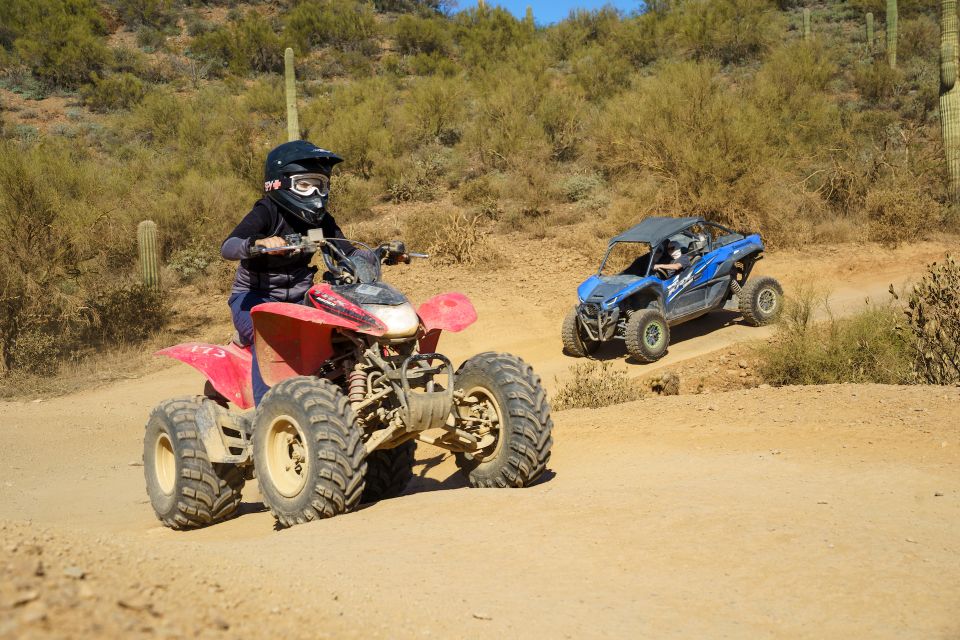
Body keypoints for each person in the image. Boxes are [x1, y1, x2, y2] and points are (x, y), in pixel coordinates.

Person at [221, 140, 358, 405]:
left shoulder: (320, 220)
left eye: (320, 185)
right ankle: (268, 413)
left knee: (343, 331)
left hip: (300, 300)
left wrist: (376, 255)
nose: (316, 193)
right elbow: (228, 247)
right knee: (272, 338)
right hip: (254, 300)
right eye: (306, 185)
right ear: (280, 183)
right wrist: (258, 244)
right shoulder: (267, 211)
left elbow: (347, 252)